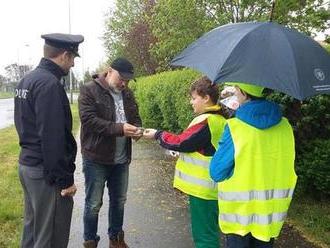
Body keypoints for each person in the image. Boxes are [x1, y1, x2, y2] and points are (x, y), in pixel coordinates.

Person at [14, 33, 84, 247]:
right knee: (50, 237)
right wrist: (65, 181)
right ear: (64, 55)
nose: (72, 64)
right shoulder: (49, 84)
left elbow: (24, 126)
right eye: (72, 58)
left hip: (28, 166)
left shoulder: (27, 80)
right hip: (46, 173)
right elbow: (52, 138)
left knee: (33, 231)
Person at [210, 82, 297, 248]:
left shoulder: (235, 127)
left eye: (236, 88)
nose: (234, 91)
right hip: (269, 216)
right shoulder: (285, 126)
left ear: (243, 92)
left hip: (239, 218)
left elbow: (217, 172)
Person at [143, 76, 227, 248]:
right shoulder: (220, 119)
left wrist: (158, 134)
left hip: (204, 191)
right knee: (209, 233)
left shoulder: (207, 121)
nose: (191, 102)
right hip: (212, 188)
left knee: (205, 238)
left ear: (206, 98)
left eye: (194, 97)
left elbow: (181, 142)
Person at [79, 57, 142, 248]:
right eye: (121, 78)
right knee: (93, 204)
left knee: (119, 201)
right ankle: (90, 241)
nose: (124, 83)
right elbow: (89, 121)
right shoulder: (89, 90)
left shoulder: (128, 94)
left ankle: (116, 239)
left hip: (121, 159)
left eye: (128, 80)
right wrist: (120, 128)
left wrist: (138, 129)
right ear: (109, 71)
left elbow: (135, 117)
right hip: (96, 158)